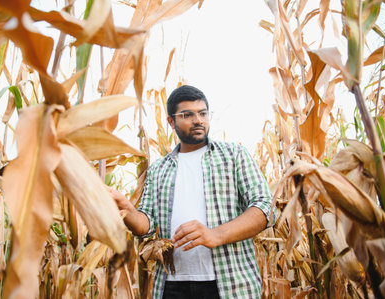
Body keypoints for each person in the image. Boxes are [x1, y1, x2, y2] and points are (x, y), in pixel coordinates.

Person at [108, 85, 275, 299]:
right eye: (187, 115)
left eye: (203, 113)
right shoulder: (159, 169)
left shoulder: (235, 156)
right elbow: (147, 226)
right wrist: (127, 210)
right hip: (172, 285)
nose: (198, 120)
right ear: (171, 122)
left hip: (229, 284)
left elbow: (265, 207)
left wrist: (215, 235)